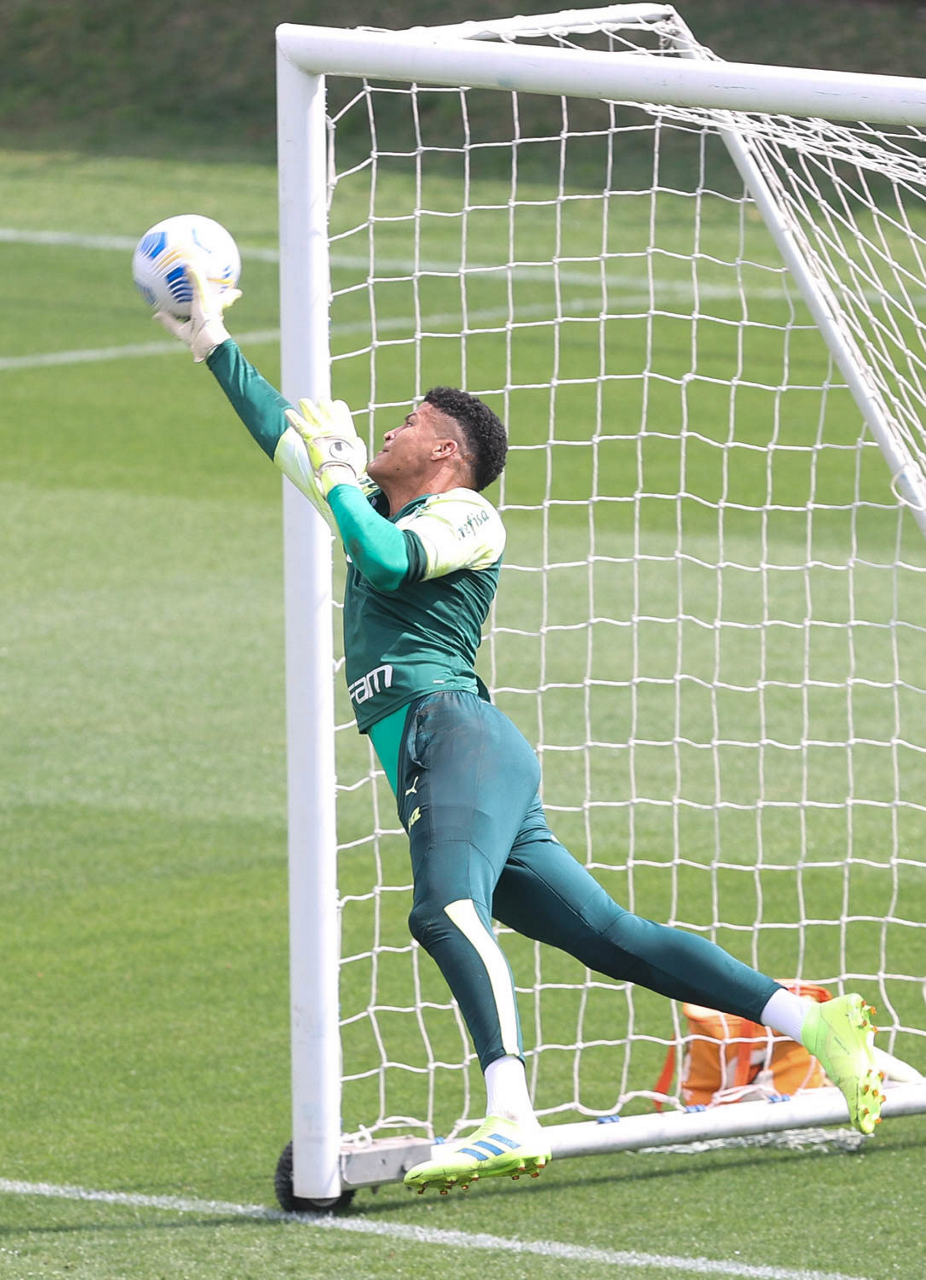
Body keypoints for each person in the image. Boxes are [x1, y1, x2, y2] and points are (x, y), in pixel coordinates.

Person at [157, 260, 885, 1195]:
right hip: (455, 750)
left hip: (452, 733)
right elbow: (279, 432)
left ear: (444, 451)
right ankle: (809, 1021)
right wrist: (211, 338)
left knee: (444, 911)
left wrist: (337, 472)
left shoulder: (469, 516)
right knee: (610, 937)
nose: (389, 427)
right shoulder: (368, 501)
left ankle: (510, 1114)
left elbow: (384, 563)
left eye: (410, 420)